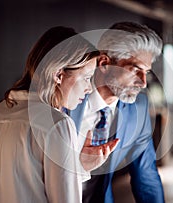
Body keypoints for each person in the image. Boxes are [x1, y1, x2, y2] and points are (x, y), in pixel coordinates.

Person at [0, 26, 119, 203]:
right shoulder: (57, 123)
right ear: (58, 75)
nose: (89, 88)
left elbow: (21, 185)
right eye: (87, 78)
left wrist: (78, 167)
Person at [69, 22, 165, 203]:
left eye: (146, 72)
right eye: (135, 70)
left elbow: (146, 176)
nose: (143, 82)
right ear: (105, 63)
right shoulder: (66, 98)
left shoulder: (139, 109)